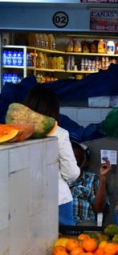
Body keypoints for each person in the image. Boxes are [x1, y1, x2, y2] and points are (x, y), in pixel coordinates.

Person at [24, 85, 80, 226]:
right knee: (63, 244)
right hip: (57, 199)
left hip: (24, 200)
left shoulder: (17, 132)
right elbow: (71, 173)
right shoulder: (60, 134)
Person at [69, 141, 112, 225]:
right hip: (59, 226)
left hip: (84, 226)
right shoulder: (55, 179)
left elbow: (99, 209)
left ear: (84, 162)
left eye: (76, 156)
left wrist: (103, 178)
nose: (71, 160)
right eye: (68, 156)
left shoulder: (93, 179)